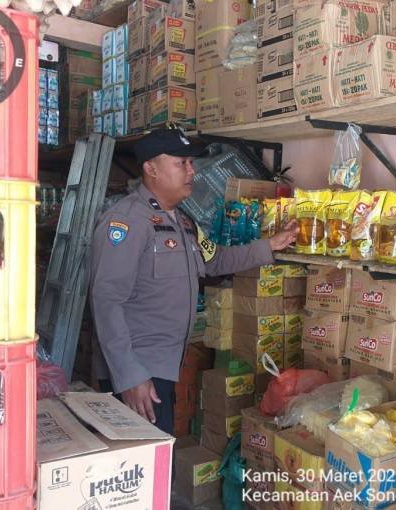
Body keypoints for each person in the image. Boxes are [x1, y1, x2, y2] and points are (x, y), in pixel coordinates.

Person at [89, 126, 297, 434]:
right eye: (181, 163)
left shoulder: (183, 223)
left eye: (190, 163)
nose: (191, 171)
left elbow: (216, 261)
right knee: (141, 469)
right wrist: (129, 375)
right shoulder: (127, 221)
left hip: (162, 365)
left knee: (158, 457)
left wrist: (270, 245)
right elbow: (106, 301)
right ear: (151, 169)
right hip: (137, 370)